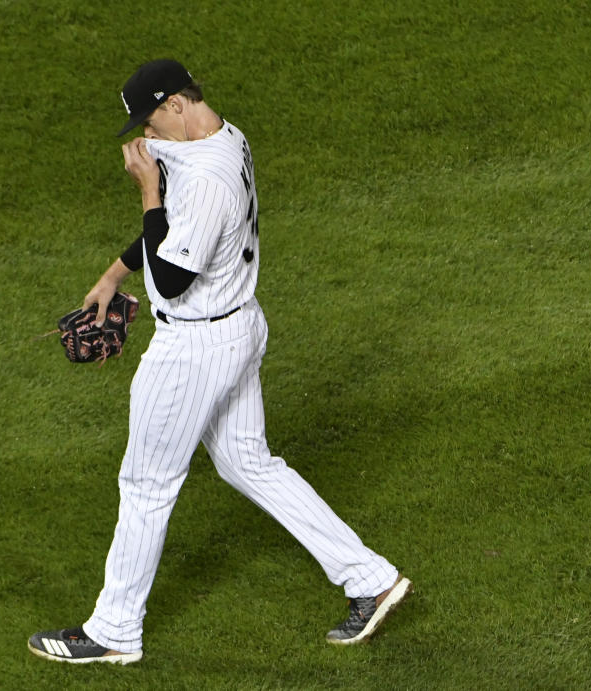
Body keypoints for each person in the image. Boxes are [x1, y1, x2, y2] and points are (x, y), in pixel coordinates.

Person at [28, 59, 411, 665]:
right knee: (248, 463)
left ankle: (113, 631)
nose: (146, 137)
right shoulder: (222, 135)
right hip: (236, 329)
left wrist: (147, 190)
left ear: (177, 104)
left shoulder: (203, 177)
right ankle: (370, 579)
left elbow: (176, 277)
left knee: (146, 483)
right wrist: (114, 274)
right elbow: (172, 227)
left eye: (150, 121)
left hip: (194, 348)